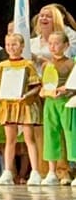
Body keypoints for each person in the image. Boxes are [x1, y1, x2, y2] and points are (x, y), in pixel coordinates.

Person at [0, 33, 43, 185]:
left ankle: (35, 172)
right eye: (8, 45)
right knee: (10, 140)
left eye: (14, 44)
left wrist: (26, 95)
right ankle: (8, 172)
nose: (11, 48)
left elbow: (37, 86)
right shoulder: (3, 65)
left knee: (29, 139)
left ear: (22, 46)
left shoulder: (27, 64)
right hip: (9, 105)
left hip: (24, 105)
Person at [39, 30, 75, 186]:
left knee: (71, 136)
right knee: (50, 135)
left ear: (66, 45)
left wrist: (66, 90)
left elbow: (73, 85)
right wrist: (43, 91)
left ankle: (72, 171)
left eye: (57, 43)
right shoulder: (47, 65)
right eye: (50, 43)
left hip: (66, 103)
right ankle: (52, 172)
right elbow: (44, 85)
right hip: (50, 103)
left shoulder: (71, 64)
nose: (53, 46)